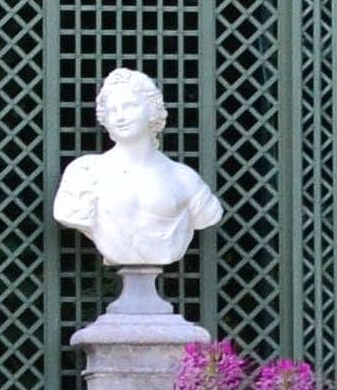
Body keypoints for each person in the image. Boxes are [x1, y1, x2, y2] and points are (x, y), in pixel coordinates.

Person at [51, 67, 221, 270]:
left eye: (130, 106)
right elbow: (67, 213)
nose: (120, 117)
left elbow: (208, 216)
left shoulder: (185, 179)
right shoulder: (84, 173)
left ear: (152, 109)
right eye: (113, 110)